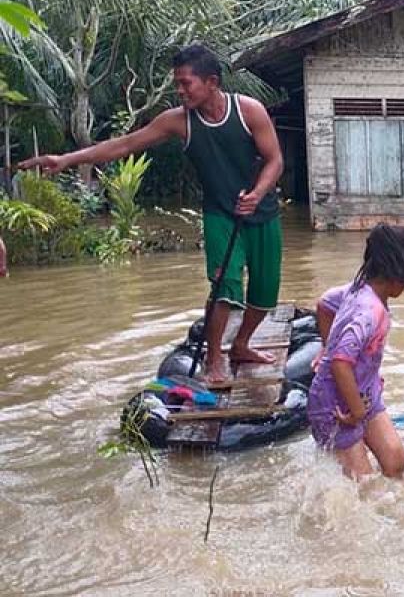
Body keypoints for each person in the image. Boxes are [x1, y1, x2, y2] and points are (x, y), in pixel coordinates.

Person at [19, 44, 283, 383]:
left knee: (264, 292)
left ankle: (242, 345)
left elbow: (275, 160)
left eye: (186, 83)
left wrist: (258, 193)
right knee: (224, 287)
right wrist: (67, 160)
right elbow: (125, 145)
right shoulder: (178, 121)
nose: (180, 90)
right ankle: (214, 358)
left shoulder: (249, 111)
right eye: (177, 83)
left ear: (212, 82)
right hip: (220, 213)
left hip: (262, 212)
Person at [308, 224, 404, 480]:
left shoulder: (357, 288)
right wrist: (357, 412)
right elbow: (340, 363)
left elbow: (324, 304)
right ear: (398, 274)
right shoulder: (367, 311)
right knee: (364, 484)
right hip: (334, 405)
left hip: (364, 393)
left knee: (397, 462)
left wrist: (326, 346)